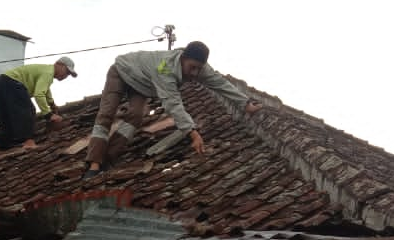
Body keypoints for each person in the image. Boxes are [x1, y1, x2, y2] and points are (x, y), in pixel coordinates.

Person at [83, 41, 263, 178]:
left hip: (142, 85)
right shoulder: (165, 69)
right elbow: (173, 105)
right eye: (192, 68)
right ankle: (94, 164)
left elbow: (219, 83)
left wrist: (245, 103)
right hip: (122, 71)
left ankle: (108, 159)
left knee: (136, 116)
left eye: (198, 69)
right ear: (182, 58)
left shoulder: (201, 69)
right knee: (106, 114)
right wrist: (192, 133)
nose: (194, 73)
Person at [0, 57, 77, 154]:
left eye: (68, 74)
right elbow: (39, 94)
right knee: (28, 110)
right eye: (67, 72)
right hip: (13, 82)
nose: (66, 76)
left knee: (8, 119)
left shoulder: (45, 71)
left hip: (1, 82)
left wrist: (52, 104)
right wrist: (49, 114)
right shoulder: (48, 73)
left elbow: (45, 90)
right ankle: (28, 141)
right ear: (59, 64)